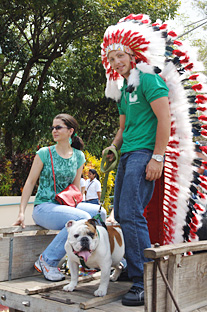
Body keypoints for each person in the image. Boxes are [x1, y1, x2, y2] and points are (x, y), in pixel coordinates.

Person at [101, 14, 171, 306]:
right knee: (120, 212)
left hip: (144, 154)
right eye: (111, 59)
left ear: (133, 53)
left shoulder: (150, 79)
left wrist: (157, 157)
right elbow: (122, 128)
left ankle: (145, 281)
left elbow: (164, 119)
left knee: (130, 213)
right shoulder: (123, 89)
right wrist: (113, 147)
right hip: (128, 154)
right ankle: (134, 272)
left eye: (120, 55)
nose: (116, 62)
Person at [13, 113, 106, 282]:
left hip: (68, 205)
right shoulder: (44, 153)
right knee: (82, 217)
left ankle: (88, 260)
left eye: (58, 127)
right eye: (52, 128)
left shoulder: (79, 156)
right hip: (44, 208)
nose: (54, 131)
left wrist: (80, 204)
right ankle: (47, 261)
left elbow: (76, 188)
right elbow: (30, 182)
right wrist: (21, 212)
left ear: (70, 131)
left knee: (100, 213)